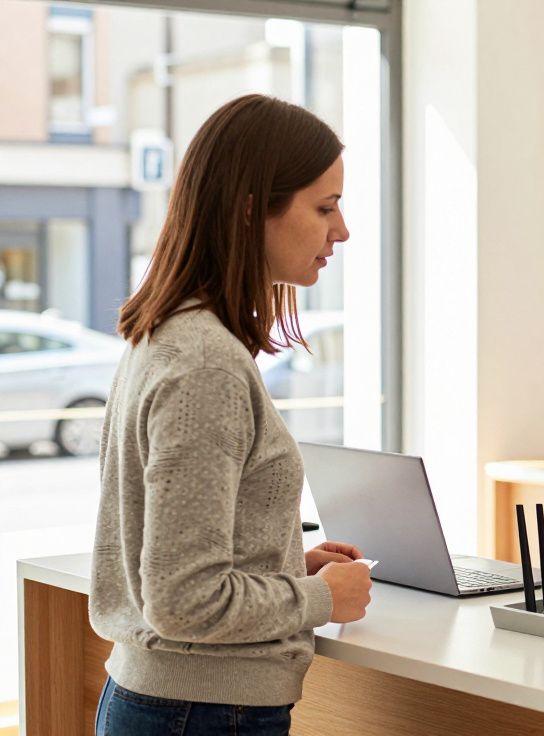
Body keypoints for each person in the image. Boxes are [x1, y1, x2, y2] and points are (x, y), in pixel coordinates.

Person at [90, 94, 373, 735]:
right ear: (252, 209)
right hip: (203, 712)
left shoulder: (172, 335)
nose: (343, 230)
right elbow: (184, 601)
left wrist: (281, 562)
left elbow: (169, 563)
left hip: (174, 704)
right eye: (325, 207)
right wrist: (322, 598)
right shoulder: (205, 365)